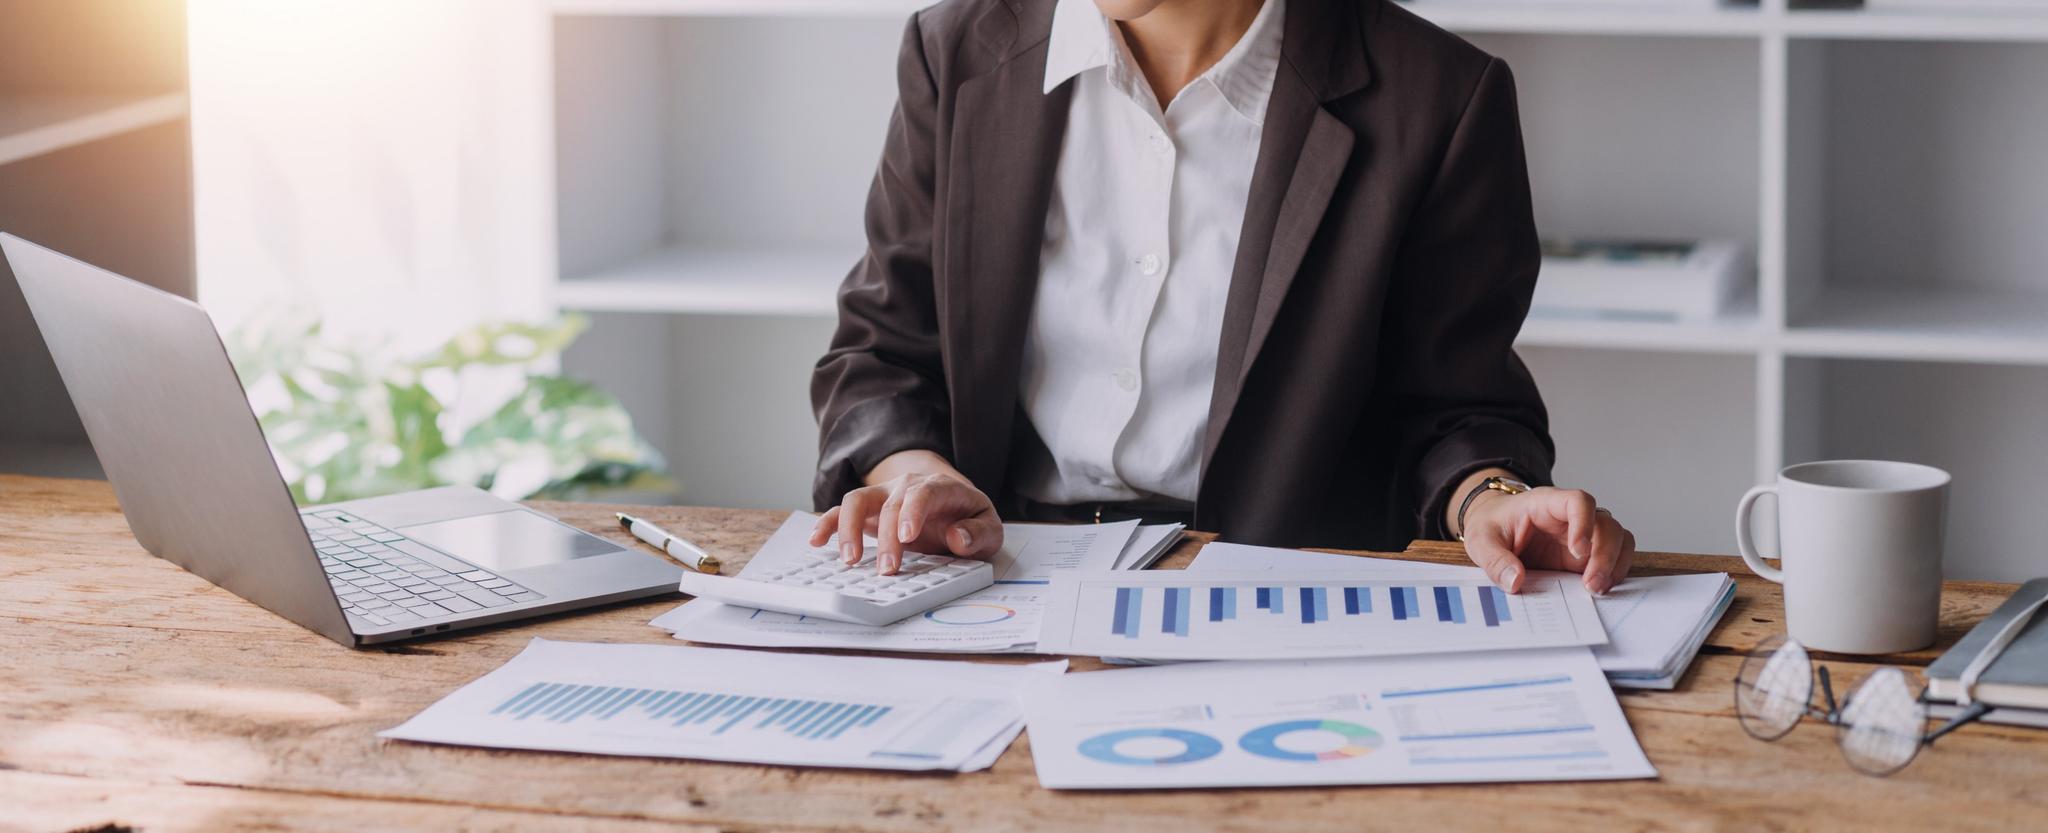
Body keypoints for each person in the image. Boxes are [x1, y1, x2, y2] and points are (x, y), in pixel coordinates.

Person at [808, 0, 1637, 595]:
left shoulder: (1439, 97)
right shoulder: (954, 51)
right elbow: (885, 352)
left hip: (1284, 592)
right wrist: (919, 477)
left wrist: (1491, 497)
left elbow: (1455, 407)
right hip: (998, 578)